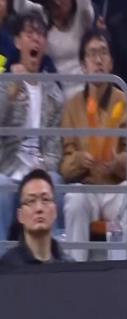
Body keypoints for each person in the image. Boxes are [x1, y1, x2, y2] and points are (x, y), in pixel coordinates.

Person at [59, 28, 127, 262]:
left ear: (111, 63)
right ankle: (73, 269)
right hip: (87, 187)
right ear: (83, 65)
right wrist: (79, 161)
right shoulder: (72, 106)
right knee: (74, 198)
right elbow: (64, 165)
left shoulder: (125, 102)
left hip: (116, 187)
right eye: (91, 54)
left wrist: (119, 163)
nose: (98, 60)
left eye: (103, 53)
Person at [0, 11, 64, 242]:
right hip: (8, 168)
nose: (36, 39)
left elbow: (55, 146)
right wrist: (10, 94)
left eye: (40, 34)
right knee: (1, 187)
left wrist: (45, 166)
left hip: (40, 170)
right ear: (18, 42)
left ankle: (54, 251)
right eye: (29, 33)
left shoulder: (54, 93)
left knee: (56, 182)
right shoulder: (4, 83)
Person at [13, 0, 94, 97]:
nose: (58, 3)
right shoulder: (41, 14)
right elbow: (19, 5)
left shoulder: (82, 16)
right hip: (53, 88)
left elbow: (84, 4)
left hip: (81, 86)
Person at [0, 169, 70, 266]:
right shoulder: (7, 266)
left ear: (55, 211)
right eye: (31, 201)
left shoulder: (68, 266)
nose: (39, 208)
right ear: (20, 215)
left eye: (45, 199)